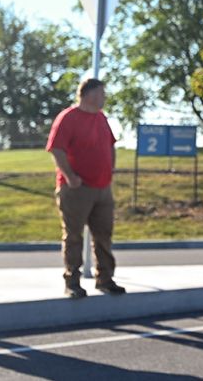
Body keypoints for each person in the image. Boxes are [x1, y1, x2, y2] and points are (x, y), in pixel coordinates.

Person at [46, 77, 126, 299]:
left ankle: (105, 279)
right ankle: (72, 281)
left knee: (104, 235)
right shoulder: (68, 118)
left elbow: (110, 146)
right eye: (102, 93)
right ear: (89, 94)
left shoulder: (101, 118)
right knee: (73, 236)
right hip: (77, 188)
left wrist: (110, 171)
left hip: (102, 188)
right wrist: (70, 176)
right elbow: (56, 149)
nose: (104, 98)